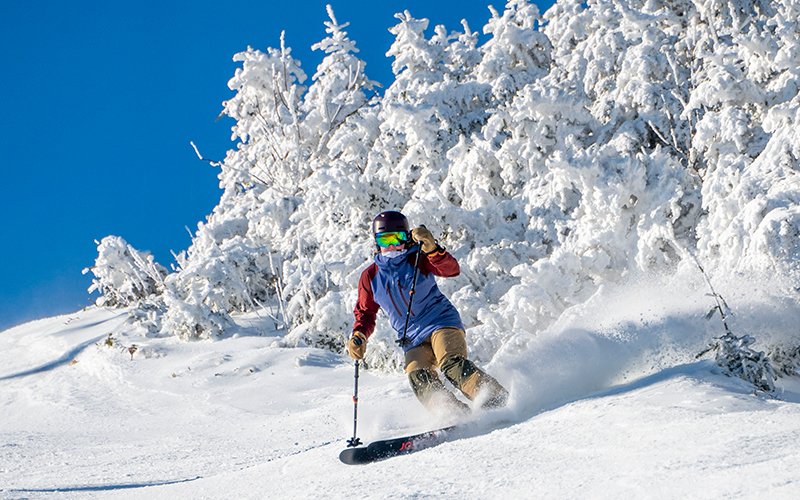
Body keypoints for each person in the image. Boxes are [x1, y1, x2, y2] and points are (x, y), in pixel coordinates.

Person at [347, 210, 508, 416]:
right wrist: (359, 334)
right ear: (376, 242)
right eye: (385, 239)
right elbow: (366, 312)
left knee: (451, 364)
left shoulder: (418, 258)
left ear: (406, 238)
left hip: (440, 322)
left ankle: (496, 398)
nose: (392, 245)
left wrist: (432, 249)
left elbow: (451, 270)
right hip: (412, 338)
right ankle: (454, 414)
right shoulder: (370, 276)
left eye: (398, 238)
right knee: (418, 376)